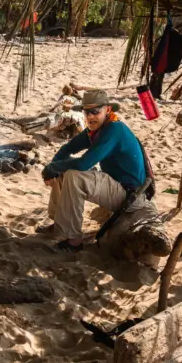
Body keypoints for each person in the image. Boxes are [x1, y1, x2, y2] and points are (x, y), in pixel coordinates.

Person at [38, 90, 149, 253]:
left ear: (108, 110)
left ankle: (74, 241)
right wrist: (53, 170)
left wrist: (51, 168)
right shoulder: (95, 130)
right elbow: (68, 148)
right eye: (86, 112)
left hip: (130, 196)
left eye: (95, 111)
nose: (90, 116)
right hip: (115, 185)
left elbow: (84, 163)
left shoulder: (114, 130)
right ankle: (60, 224)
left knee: (73, 175)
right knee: (65, 170)